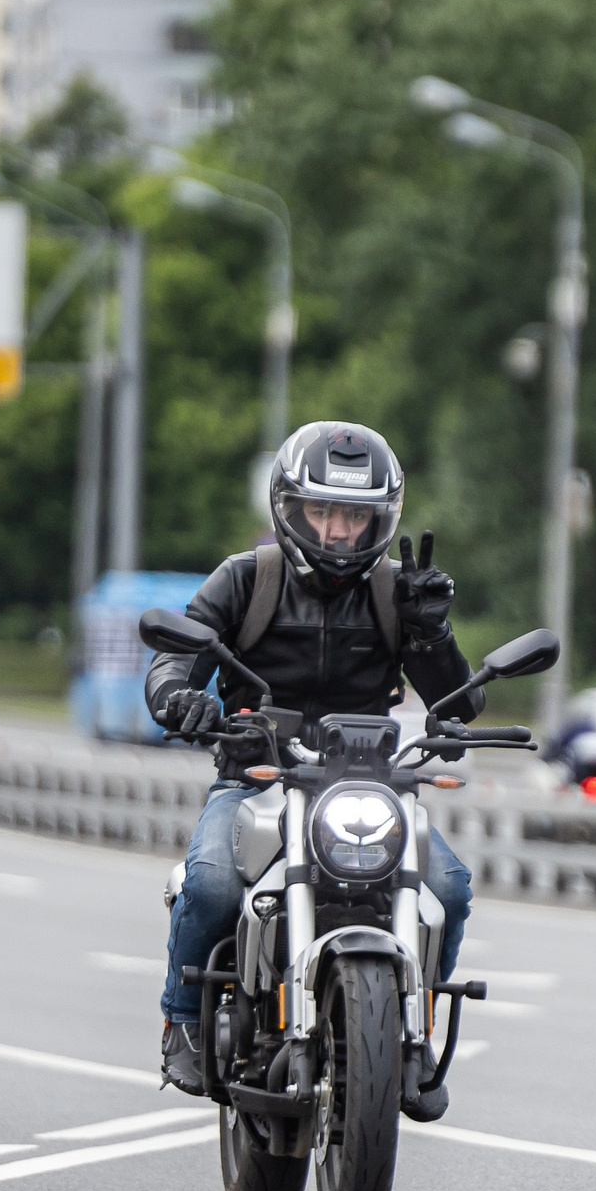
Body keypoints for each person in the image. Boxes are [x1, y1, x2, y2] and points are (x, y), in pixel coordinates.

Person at [145, 421, 481, 1120]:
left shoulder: (396, 595)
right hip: (256, 778)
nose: (336, 531)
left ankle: (411, 1039)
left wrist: (432, 632)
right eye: (323, 511)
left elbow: (462, 704)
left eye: (355, 516)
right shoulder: (246, 579)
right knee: (208, 882)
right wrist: (179, 698)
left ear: (379, 520)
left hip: (368, 786)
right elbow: (174, 659)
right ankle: (182, 1018)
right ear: (289, 507)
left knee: (447, 884)